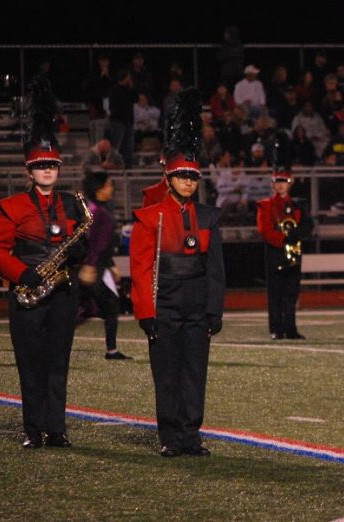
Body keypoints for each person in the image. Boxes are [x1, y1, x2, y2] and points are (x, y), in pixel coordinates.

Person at [0, 78, 88, 449]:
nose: (47, 172)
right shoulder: (12, 207)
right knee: (30, 365)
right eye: (41, 166)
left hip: (62, 291)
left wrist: (80, 252)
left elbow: (82, 244)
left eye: (52, 166)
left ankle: (56, 429)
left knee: (58, 362)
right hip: (28, 288)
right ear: (29, 171)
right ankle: (32, 430)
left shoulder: (73, 204)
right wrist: (22, 273)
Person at [130, 87, 225, 457]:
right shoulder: (150, 215)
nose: (188, 181)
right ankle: (170, 436)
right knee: (167, 375)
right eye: (182, 175)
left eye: (193, 176)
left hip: (198, 304)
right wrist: (145, 313)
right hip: (165, 305)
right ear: (169, 176)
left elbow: (215, 269)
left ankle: (191, 434)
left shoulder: (208, 216)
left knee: (194, 373)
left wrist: (215, 309)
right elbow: (141, 267)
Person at [256, 136, 313, 340]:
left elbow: (308, 224)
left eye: (284, 181)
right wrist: (284, 240)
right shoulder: (266, 205)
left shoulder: (298, 204)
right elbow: (264, 230)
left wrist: (297, 235)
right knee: (275, 293)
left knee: (292, 292)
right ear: (273, 183)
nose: (280, 185)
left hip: (294, 252)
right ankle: (276, 328)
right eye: (277, 182)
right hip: (274, 252)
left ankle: (290, 327)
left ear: (291, 182)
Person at [78, 171, 131, 360]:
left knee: (99, 307)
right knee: (92, 308)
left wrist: (111, 264)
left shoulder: (96, 210)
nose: (112, 188)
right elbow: (94, 243)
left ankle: (112, 350)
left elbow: (103, 244)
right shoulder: (98, 213)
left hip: (98, 266)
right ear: (98, 189)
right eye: (108, 185)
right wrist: (90, 265)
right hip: (93, 268)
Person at [108, 68, 135, 168]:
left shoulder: (129, 90)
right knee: (117, 145)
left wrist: (131, 88)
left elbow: (135, 98)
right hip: (118, 121)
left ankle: (127, 166)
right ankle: (114, 164)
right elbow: (113, 107)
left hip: (129, 121)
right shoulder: (114, 90)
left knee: (128, 146)